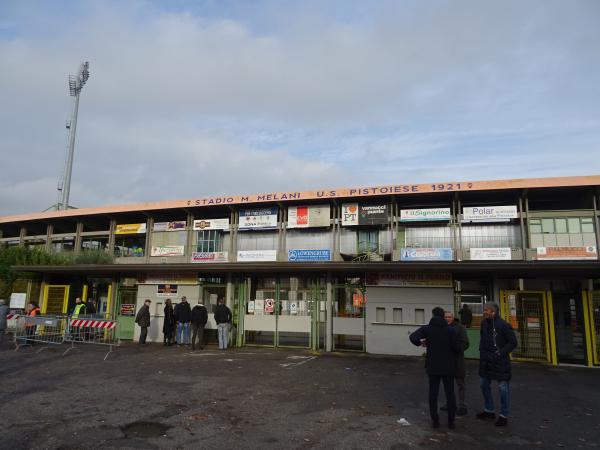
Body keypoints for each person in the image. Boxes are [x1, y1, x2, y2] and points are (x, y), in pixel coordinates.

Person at [409, 307, 460, 429]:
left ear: (432, 315)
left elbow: (413, 337)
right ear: (443, 316)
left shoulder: (427, 329)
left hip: (433, 366)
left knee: (433, 393)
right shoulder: (451, 330)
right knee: (450, 394)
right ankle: (451, 422)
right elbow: (457, 348)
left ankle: (435, 420)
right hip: (448, 367)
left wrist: (421, 343)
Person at [477, 302, 517, 427]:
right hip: (486, 361)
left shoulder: (504, 325)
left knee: (503, 388)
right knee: (483, 384)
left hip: (500, 362)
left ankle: (503, 415)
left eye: (486, 310)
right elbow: (482, 339)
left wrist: (501, 352)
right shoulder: (484, 324)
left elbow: (513, 342)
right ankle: (489, 410)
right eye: (484, 310)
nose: (484, 312)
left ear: (493, 312)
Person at [440, 310, 470, 416]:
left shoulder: (460, 327)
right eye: (445, 317)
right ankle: (450, 404)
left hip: (458, 361)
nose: (447, 319)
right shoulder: (442, 328)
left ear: (453, 318)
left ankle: (463, 406)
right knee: (448, 384)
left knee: (460, 384)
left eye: (449, 317)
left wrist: (456, 350)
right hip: (446, 361)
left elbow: (466, 343)